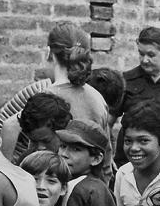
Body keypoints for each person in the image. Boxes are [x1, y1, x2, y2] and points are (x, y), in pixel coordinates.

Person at [113, 26, 160, 168]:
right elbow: (110, 119)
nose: (145, 60)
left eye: (151, 55)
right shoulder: (126, 80)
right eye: (141, 54)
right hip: (132, 156)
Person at [46, 23, 113, 183]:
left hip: (52, 187)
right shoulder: (97, 97)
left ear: (50, 53)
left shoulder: (45, 97)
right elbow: (107, 155)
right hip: (92, 188)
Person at [0, 92, 72, 164]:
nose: (39, 148)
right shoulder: (27, 161)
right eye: (34, 142)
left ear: (63, 132)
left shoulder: (73, 163)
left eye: (46, 141)